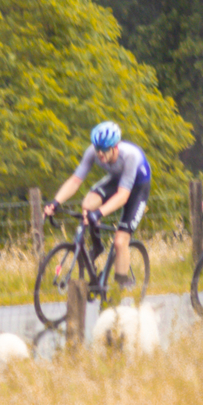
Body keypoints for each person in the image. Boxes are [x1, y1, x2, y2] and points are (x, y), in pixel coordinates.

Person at [54, 120, 151, 283]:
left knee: (120, 241)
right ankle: (97, 247)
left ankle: (120, 286)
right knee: (87, 205)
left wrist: (99, 213)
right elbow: (75, 181)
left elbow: (122, 196)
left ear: (115, 147)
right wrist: (55, 202)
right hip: (117, 179)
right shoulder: (92, 152)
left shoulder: (130, 156)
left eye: (104, 150)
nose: (100, 154)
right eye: (98, 149)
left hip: (137, 188)